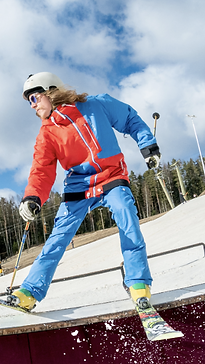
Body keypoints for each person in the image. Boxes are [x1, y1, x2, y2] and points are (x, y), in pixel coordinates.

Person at [9, 72, 161, 312]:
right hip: (79, 185)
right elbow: (41, 170)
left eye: (34, 98)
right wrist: (32, 197)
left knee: (126, 216)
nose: (32, 105)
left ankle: (138, 283)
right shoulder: (47, 133)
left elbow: (129, 118)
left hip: (111, 176)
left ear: (51, 91)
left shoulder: (96, 105)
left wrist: (148, 146)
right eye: (29, 101)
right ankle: (30, 291)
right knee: (59, 237)